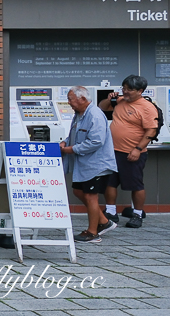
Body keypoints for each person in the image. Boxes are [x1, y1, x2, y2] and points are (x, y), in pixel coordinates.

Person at [98, 74, 159, 228]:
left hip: (132, 152)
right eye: (124, 88)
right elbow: (102, 107)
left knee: (135, 184)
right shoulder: (120, 101)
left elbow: (151, 130)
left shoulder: (147, 107)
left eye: (129, 89)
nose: (125, 92)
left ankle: (137, 214)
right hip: (112, 151)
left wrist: (138, 149)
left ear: (140, 91)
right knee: (110, 182)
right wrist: (109, 99)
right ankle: (111, 212)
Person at [59, 86, 118, 242]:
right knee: (78, 191)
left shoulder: (95, 115)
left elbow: (96, 141)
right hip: (84, 165)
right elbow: (74, 135)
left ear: (83, 99)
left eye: (70, 99)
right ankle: (104, 222)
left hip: (96, 164)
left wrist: (71, 149)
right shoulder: (79, 114)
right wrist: (65, 142)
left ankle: (92, 233)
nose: (69, 102)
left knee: (90, 196)